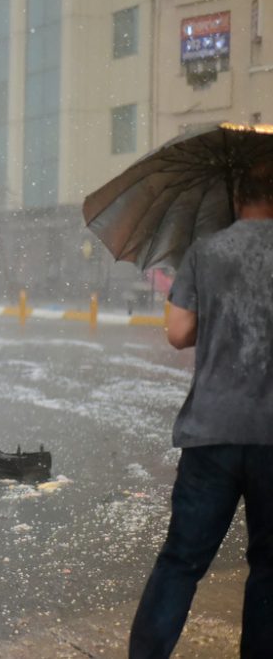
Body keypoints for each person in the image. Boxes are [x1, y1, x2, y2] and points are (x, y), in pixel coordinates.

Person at [129, 161, 273, 658]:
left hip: (210, 431)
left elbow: (178, 334)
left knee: (182, 561)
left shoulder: (205, 251)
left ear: (237, 199)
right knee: (270, 568)